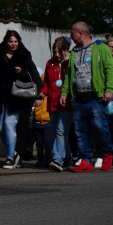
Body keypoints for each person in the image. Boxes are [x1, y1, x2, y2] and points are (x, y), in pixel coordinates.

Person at [60, 22, 113, 172]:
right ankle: (85, 160)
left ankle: (106, 154)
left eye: (72, 34)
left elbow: (110, 69)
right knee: (80, 131)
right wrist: (65, 92)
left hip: (95, 97)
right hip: (78, 98)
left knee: (100, 128)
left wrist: (109, 89)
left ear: (80, 33)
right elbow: (69, 75)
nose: (71, 37)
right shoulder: (74, 52)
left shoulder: (100, 47)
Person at [0, 30, 39, 169]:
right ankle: (15, 151)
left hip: (16, 97)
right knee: (0, 126)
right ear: (6, 41)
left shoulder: (24, 55)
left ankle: (10, 157)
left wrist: (21, 72)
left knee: (9, 124)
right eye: (11, 41)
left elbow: (31, 76)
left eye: (15, 41)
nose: (13, 44)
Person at [42, 37, 73, 171]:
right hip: (52, 103)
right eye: (55, 52)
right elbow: (46, 83)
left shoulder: (70, 62)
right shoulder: (50, 63)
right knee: (58, 132)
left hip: (66, 103)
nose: (56, 55)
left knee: (61, 130)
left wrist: (67, 61)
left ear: (65, 51)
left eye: (59, 52)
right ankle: (68, 158)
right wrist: (41, 94)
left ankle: (58, 159)